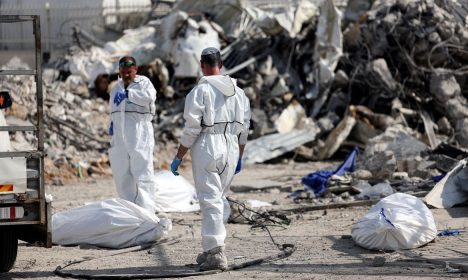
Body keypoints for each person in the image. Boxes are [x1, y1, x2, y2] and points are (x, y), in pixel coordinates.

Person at [170, 47, 251, 271]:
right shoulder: (239, 92)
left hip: (208, 144)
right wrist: (239, 157)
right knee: (217, 198)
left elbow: (192, 128)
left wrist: (179, 157)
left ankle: (216, 252)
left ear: (202, 65)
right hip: (232, 146)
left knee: (210, 200)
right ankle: (210, 248)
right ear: (221, 64)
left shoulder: (199, 91)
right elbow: (245, 129)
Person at [108, 56, 158, 213]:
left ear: (135, 70)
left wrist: (129, 95)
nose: (126, 75)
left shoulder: (144, 83)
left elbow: (149, 98)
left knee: (142, 171)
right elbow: (113, 109)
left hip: (139, 132)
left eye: (129, 72)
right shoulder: (116, 87)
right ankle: (130, 209)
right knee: (121, 172)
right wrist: (112, 123)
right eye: (123, 72)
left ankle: (147, 210)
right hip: (120, 134)